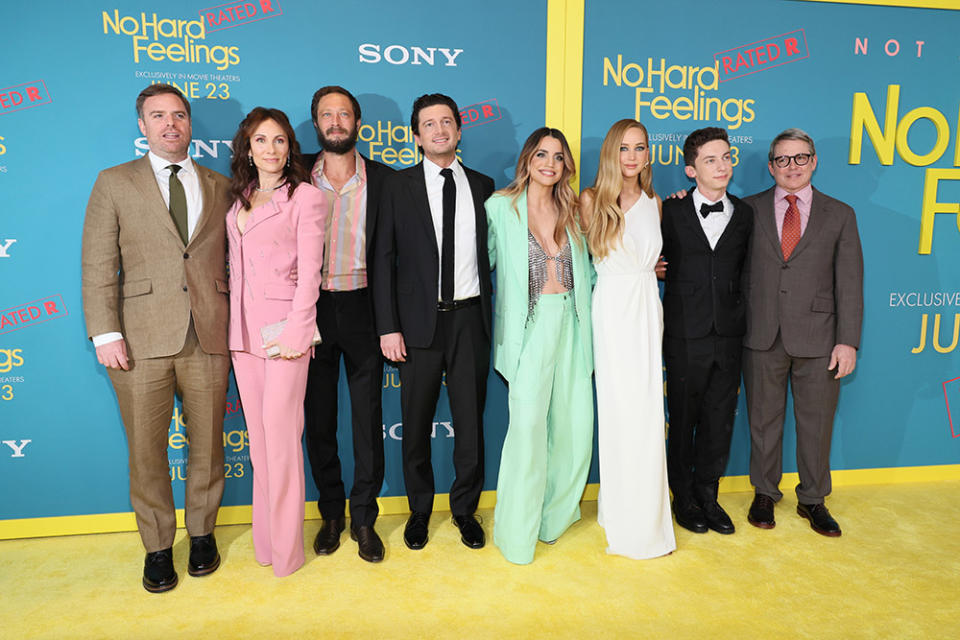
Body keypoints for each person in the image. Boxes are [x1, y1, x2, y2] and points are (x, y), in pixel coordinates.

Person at [81, 83, 231, 593]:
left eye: (180, 115)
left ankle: (204, 534)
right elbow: (99, 264)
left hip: (210, 334)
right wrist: (105, 333)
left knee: (209, 446)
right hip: (139, 340)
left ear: (190, 125)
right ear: (142, 126)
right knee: (146, 451)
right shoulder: (114, 182)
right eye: (158, 116)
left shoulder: (222, 184)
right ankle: (158, 547)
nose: (171, 124)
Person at [373, 94, 494, 551]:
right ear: (417, 135)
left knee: (470, 423)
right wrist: (388, 326)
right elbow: (382, 259)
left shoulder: (484, 187)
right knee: (415, 421)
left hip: (470, 322)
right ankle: (419, 510)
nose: (439, 130)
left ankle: (465, 509)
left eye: (447, 122)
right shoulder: (396, 187)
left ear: (460, 130)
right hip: (417, 325)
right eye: (429, 124)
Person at [742, 128, 863, 537]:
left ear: (813, 161)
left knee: (816, 424)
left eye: (799, 158)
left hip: (821, 338)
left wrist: (848, 341)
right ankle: (764, 492)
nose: (791, 167)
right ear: (771, 165)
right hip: (761, 333)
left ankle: (813, 499)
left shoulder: (840, 213)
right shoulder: (747, 209)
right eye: (782, 159)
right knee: (762, 420)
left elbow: (850, 282)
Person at [485, 127, 594, 565]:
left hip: (572, 323)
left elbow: (598, 265)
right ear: (528, 159)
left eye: (559, 157)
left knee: (574, 429)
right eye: (542, 154)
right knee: (527, 432)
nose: (550, 163)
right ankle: (516, 532)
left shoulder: (575, 209)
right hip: (528, 331)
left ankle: (554, 518)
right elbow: (475, 263)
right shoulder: (499, 207)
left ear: (566, 165)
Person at [226, 107, 325, 576]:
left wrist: (297, 331)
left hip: (285, 334)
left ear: (290, 148)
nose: (271, 149)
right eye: (261, 140)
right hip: (242, 335)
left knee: (282, 442)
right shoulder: (239, 198)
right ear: (248, 148)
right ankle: (265, 544)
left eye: (280, 140)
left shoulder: (306, 198)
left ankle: (286, 553)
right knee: (260, 445)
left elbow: (311, 274)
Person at [301, 86, 393, 563]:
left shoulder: (385, 180)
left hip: (364, 308)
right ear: (316, 122)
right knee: (318, 420)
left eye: (344, 113)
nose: (335, 121)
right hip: (309, 310)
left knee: (366, 420)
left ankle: (363, 518)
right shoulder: (294, 174)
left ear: (358, 121)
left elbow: (396, 257)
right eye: (326, 114)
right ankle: (331, 514)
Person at [580, 119, 675, 559]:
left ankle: (647, 511)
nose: (632, 156)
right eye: (623, 148)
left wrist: (651, 269)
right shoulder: (590, 199)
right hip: (612, 311)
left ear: (648, 154)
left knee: (648, 409)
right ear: (611, 154)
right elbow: (583, 263)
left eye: (640, 148)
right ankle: (620, 509)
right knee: (618, 410)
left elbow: (651, 257)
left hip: (646, 309)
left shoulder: (656, 202)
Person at [661, 127, 753, 536]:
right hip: (683, 333)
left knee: (720, 420)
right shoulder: (670, 211)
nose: (722, 166)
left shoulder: (746, 213)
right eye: (711, 160)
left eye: (726, 157)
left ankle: (709, 496)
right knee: (682, 419)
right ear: (690, 170)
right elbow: (647, 257)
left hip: (730, 334)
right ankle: (682, 497)